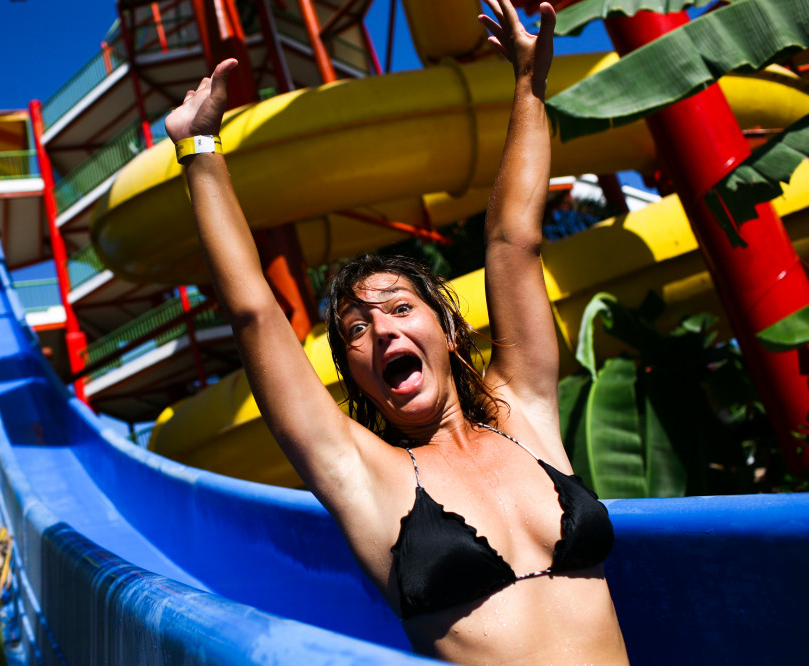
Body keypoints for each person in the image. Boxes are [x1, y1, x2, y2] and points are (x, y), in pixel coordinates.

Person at [165, 0, 628, 662]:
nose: (381, 330)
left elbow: (512, 239)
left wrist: (529, 85)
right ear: (352, 371)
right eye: (356, 328)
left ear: (446, 330)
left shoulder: (525, 413)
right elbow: (255, 315)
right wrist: (198, 149)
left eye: (401, 309)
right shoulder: (362, 474)